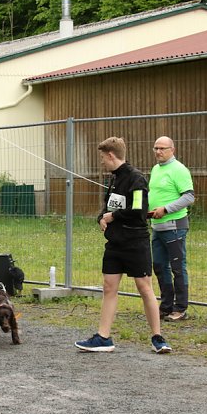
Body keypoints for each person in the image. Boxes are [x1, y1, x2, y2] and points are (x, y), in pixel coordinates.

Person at [75, 137, 172, 354]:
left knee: (144, 287)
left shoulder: (136, 179)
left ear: (111, 155)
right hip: (114, 244)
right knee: (109, 287)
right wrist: (101, 217)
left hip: (135, 243)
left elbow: (137, 210)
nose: (101, 162)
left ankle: (158, 338)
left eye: (102, 158)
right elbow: (109, 207)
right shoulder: (113, 179)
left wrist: (112, 217)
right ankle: (103, 337)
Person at [148, 136, 195, 321]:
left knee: (177, 267)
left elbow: (189, 197)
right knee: (159, 266)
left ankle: (180, 308)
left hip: (175, 226)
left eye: (162, 148)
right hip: (157, 227)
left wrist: (166, 209)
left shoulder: (179, 170)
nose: (158, 152)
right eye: (156, 148)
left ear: (172, 150)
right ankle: (166, 305)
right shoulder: (155, 169)